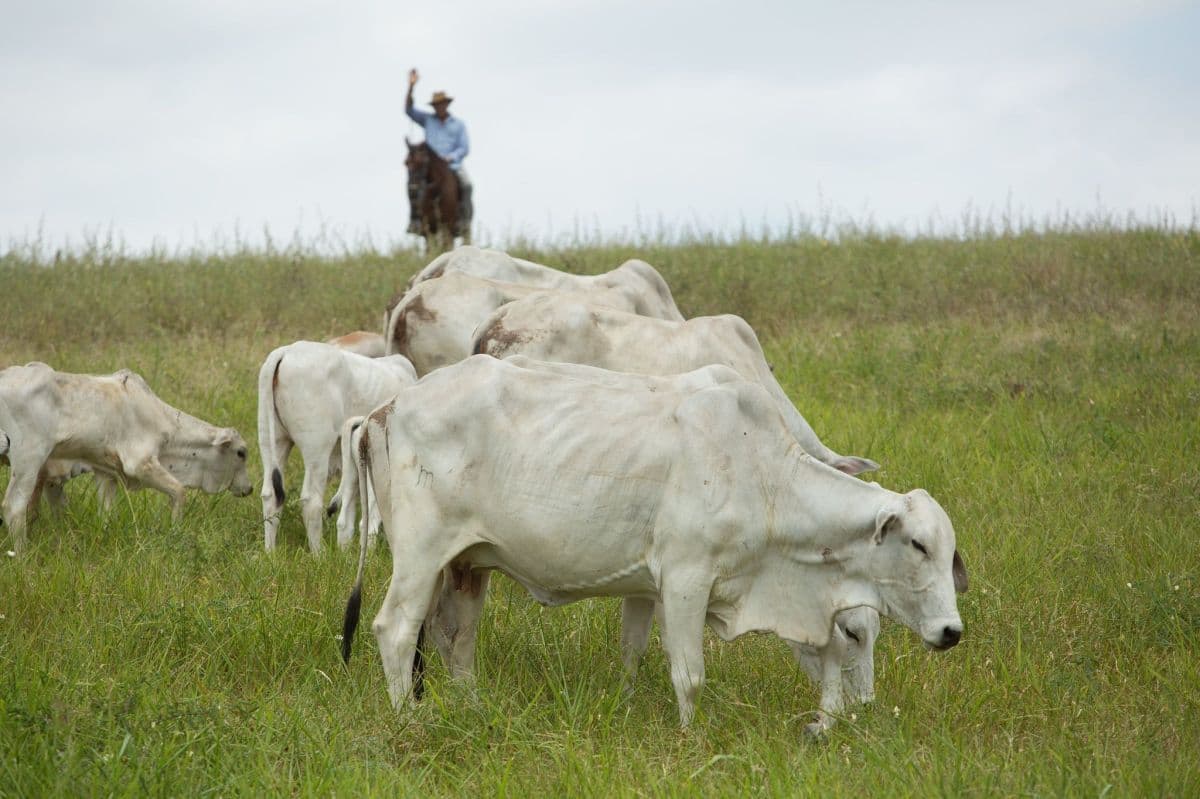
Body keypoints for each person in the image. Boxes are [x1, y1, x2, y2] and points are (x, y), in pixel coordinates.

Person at [405, 68, 472, 237]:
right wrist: (411, 87)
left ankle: (464, 222)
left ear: (447, 105)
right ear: (434, 107)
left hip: (452, 165)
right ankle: (415, 221)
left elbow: (464, 148)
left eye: (442, 104)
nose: (439, 107)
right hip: (429, 166)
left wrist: (451, 157)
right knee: (413, 186)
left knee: (467, 185)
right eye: (436, 105)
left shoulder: (458, 124)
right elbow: (408, 110)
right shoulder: (428, 120)